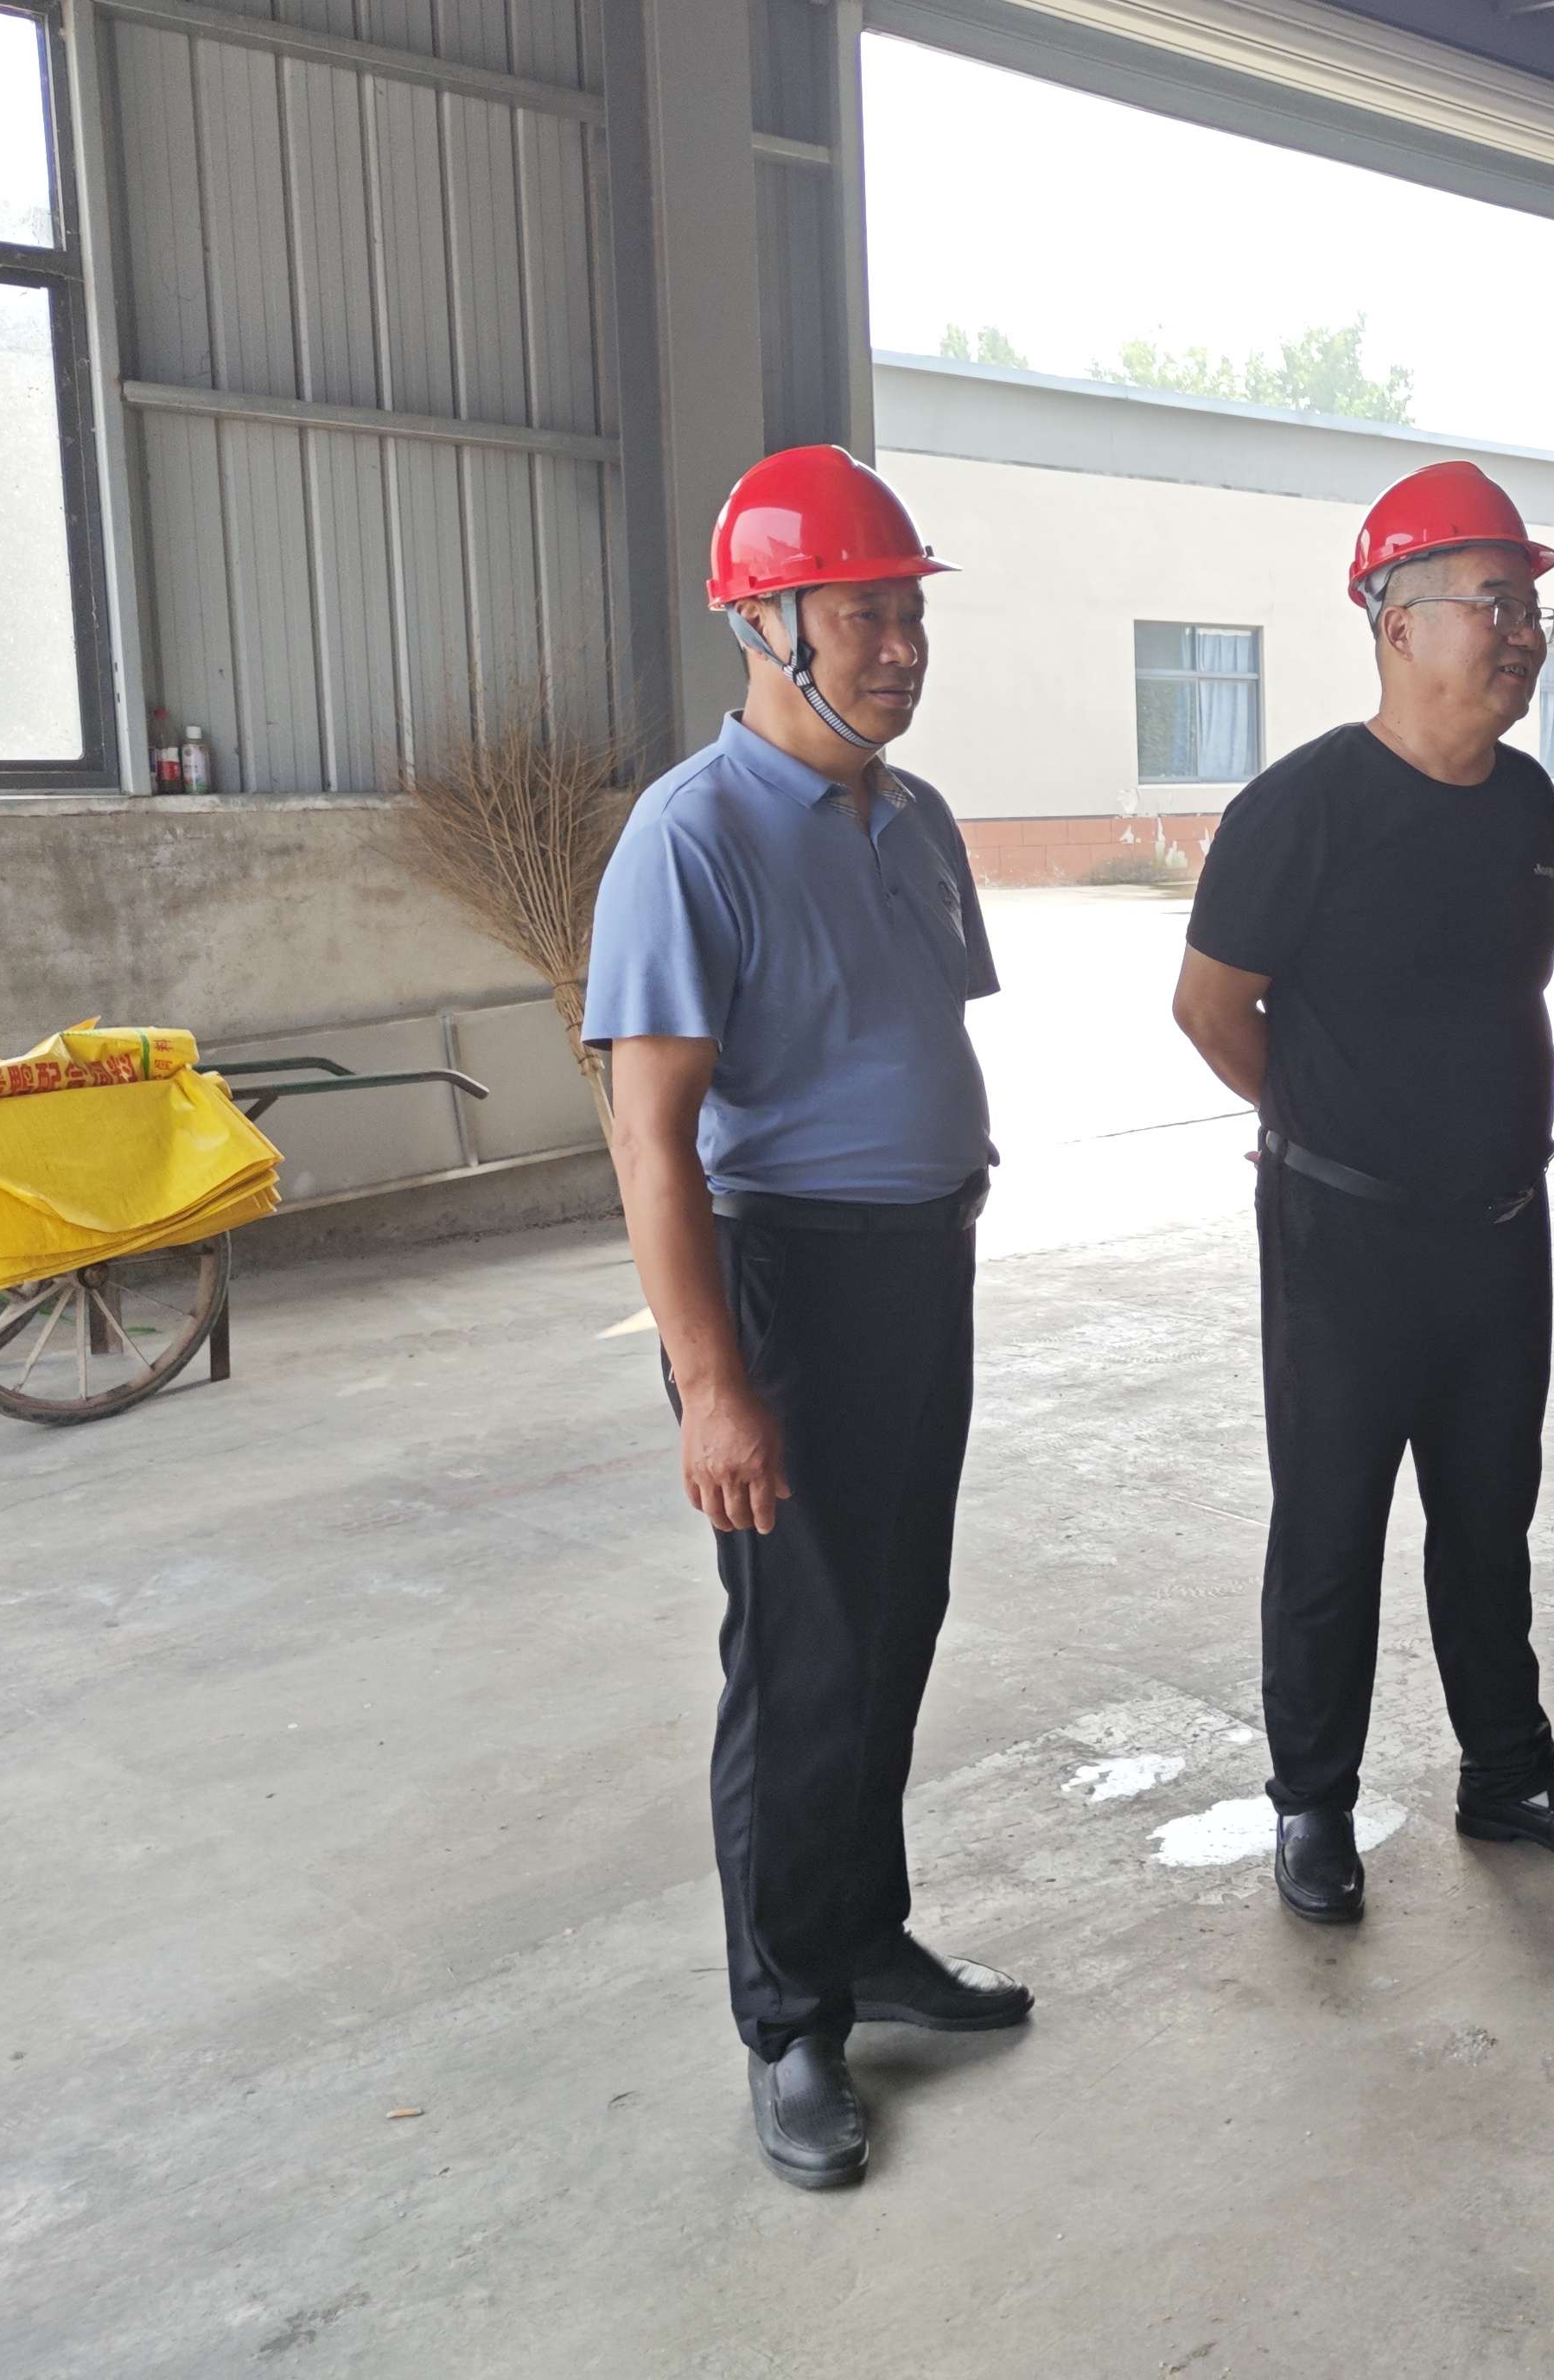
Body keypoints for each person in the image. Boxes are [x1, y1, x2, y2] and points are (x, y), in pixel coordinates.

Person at [583, 445, 1027, 2196]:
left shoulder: (912, 818)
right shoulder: (689, 838)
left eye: (911, 613)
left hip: (923, 1265)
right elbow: (650, 1138)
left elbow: (912, 1024)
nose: (900, 647)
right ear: (766, 624)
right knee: (798, 1660)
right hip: (785, 1280)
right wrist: (713, 1385)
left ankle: (864, 1936)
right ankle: (787, 2021)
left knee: (896, 1619)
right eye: (863, 615)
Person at [1172, 459, 1554, 1925]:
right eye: (1495, 604)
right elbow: (1211, 1010)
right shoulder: (1299, 810)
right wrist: (1326, 1124)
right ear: (1396, 624)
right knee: (1331, 1527)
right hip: (1345, 1237)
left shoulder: (1525, 801)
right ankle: (1313, 1804)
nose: (1524, 635)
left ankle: (1506, 1773)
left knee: (1490, 1514)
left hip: (1503, 1225)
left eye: (1533, 610)